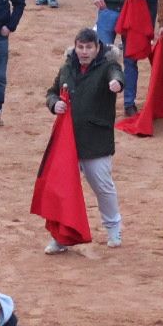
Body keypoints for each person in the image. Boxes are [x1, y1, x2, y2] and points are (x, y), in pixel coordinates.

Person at [45, 27, 125, 251]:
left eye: (89, 47)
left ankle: (113, 228)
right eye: (80, 47)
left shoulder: (108, 66)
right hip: (67, 141)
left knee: (102, 186)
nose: (84, 51)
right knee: (64, 189)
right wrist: (54, 104)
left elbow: (117, 75)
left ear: (97, 47)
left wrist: (117, 84)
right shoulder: (67, 68)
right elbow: (51, 92)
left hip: (95, 141)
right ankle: (62, 237)